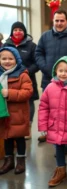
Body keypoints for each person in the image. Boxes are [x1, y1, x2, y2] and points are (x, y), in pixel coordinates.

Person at [35, 9, 67, 143]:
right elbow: (38, 53)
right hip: (49, 79)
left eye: (62, 20)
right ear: (53, 21)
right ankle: (49, 133)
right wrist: (45, 67)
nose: (59, 23)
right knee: (50, 108)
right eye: (56, 20)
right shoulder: (45, 36)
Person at [38, 56, 67, 187]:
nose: (63, 74)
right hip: (55, 126)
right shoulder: (50, 87)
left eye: (66, 71)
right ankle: (60, 170)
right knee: (58, 149)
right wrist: (43, 125)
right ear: (55, 71)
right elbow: (43, 106)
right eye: (60, 70)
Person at [0, 47, 33, 175]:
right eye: (3, 59)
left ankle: (20, 161)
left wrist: (9, 93)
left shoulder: (22, 74)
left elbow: (27, 92)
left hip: (18, 114)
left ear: (16, 59)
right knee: (6, 137)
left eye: (10, 58)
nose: (7, 61)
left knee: (19, 139)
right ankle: (8, 161)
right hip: (4, 114)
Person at [3, 22, 39, 140]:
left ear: (25, 31)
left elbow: (36, 62)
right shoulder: (5, 45)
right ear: (11, 32)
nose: (17, 32)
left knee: (28, 102)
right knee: (12, 104)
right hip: (9, 79)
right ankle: (10, 127)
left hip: (26, 78)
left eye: (20, 30)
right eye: (15, 30)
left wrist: (27, 71)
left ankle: (27, 126)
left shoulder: (32, 46)